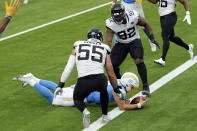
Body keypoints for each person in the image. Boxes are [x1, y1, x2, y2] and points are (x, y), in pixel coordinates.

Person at [53, 28, 121, 128]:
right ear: (100, 38)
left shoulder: (77, 46)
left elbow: (69, 68)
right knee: (104, 92)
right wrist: (116, 89)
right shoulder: (104, 48)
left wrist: (60, 85)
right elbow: (110, 73)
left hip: (83, 80)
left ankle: (85, 112)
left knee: (77, 99)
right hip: (100, 79)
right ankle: (105, 116)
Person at [105, 3, 160, 97]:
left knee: (139, 60)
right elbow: (109, 40)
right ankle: (119, 81)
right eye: (116, 17)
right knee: (111, 65)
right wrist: (105, 51)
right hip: (121, 43)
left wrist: (152, 37)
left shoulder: (133, 16)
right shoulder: (110, 23)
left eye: (119, 16)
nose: (117, 18)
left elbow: (146, 24)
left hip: (134, 40)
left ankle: (146, 86)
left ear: (123, 13)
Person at [12, 72, 147, 110]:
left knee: (59, 89)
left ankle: (34, 77)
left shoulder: (116, 82)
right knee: (54, 99)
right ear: (128, 84)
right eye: (133, 87)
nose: (132, 90)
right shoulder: (119, 90)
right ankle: (31, 81)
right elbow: (122, 106)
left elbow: (121, 100)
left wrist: (130, 101)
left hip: (82, 88)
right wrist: (138, 105)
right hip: (81, 95)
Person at [148, 0, 194, 66]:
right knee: (171, 37)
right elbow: (154, 1)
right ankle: (188, 47)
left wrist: (187, 13)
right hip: (163, 17)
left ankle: (162, 59)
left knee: (165, 35)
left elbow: (184, 1)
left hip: (170, 15)